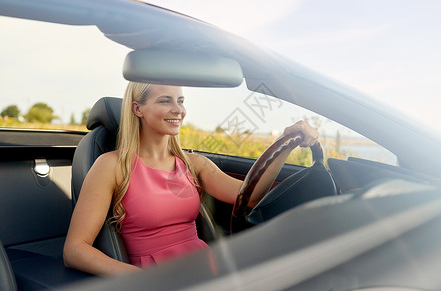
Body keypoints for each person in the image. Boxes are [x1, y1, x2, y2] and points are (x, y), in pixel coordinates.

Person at [63, 82, 318, 276]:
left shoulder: (192, 163)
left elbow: (249, 196)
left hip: (206, 269)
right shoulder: (111, 166)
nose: (178, 110)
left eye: (180, 100)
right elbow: (75, 250)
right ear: (137, 108)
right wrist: (141, 280)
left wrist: (283, 146)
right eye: (165, 101)